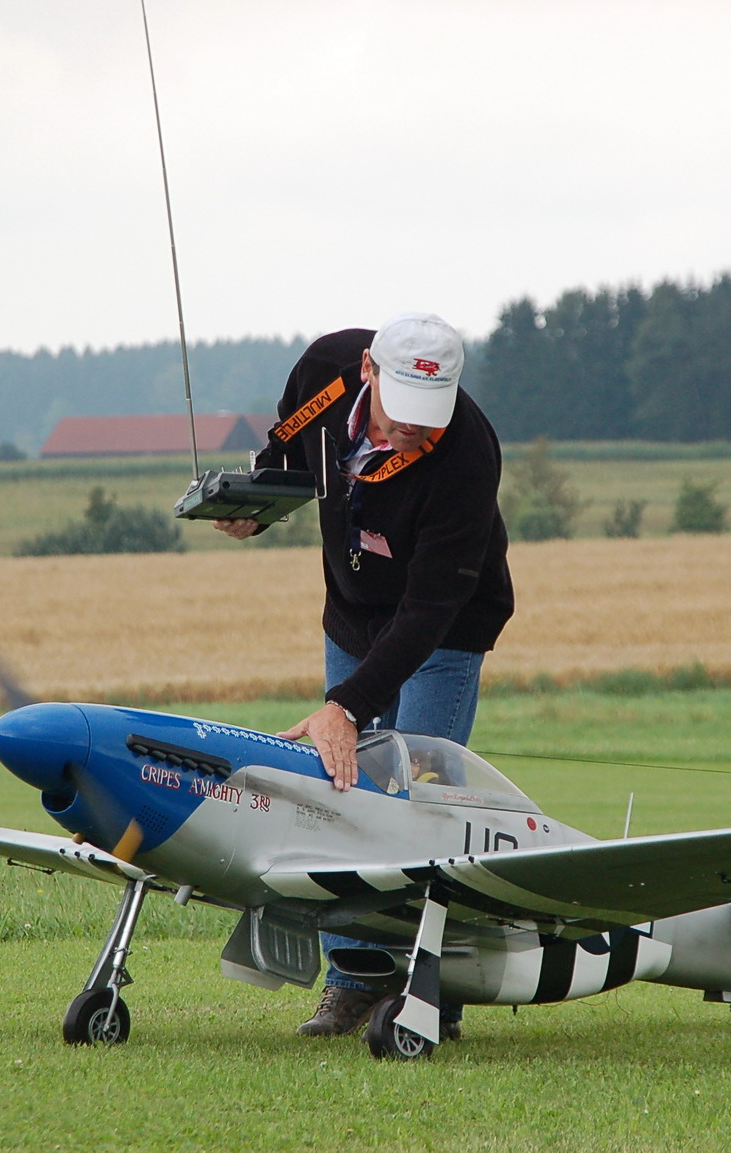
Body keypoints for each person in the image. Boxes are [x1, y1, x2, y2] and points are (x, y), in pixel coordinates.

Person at [213, 312, 513, 1041]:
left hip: (443, 626)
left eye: (428, 418)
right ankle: (351, 981)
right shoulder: (325, 368)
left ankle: (429, 988)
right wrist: (258, 501)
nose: (413, 431)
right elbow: (291, 446)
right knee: (338, 794)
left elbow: (432, 606)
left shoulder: (467, 453)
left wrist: (347, 704)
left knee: (413, 803)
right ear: (370, 373)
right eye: (402, 412)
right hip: (350, 612)